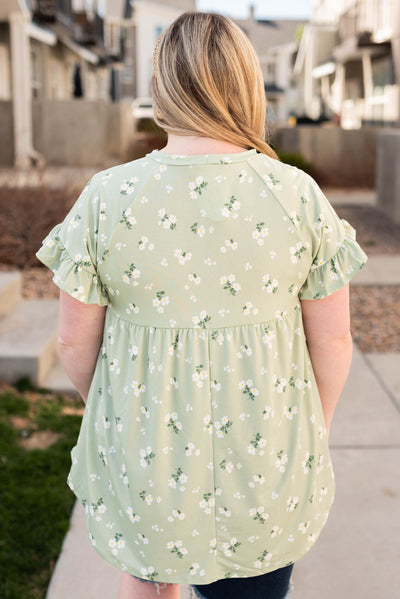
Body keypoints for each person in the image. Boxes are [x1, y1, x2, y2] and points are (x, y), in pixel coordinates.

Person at [36, 11, 367, 599]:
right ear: (245, 85)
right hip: (266, 453)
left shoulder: (108, 198)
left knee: (144, 576)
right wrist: (311, 428)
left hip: (145, 453)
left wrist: (119, 414)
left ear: (164, 85)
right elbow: (334, 341)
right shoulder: (296, 196)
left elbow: (72, 342)